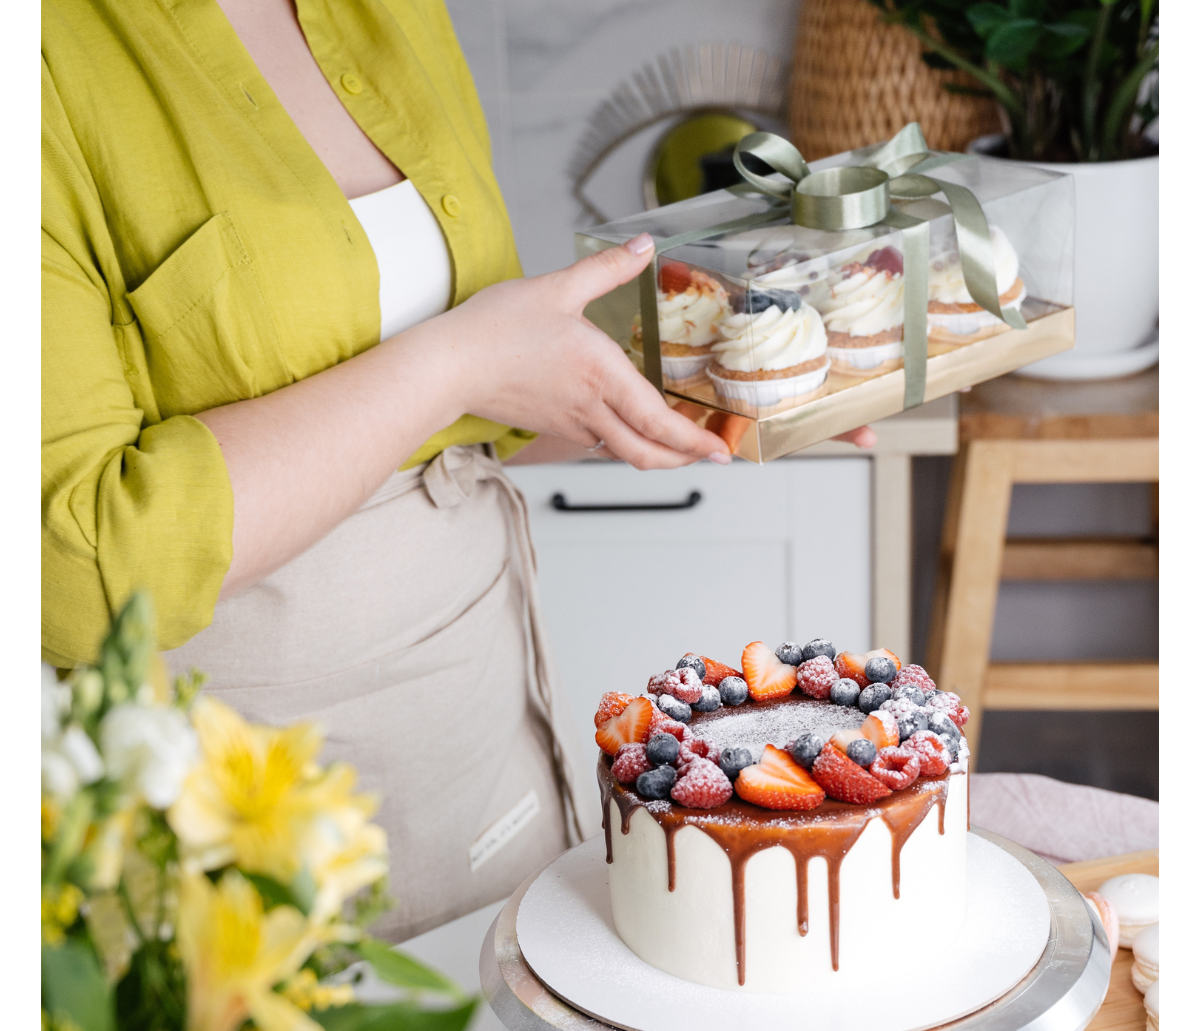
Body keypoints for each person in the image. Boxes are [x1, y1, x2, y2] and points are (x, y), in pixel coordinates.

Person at [42, 0, 870, 939]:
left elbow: (473, 415)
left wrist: (702, 384)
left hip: (484, 743)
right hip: (231, 803)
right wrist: (456, 363)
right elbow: (77, 572)